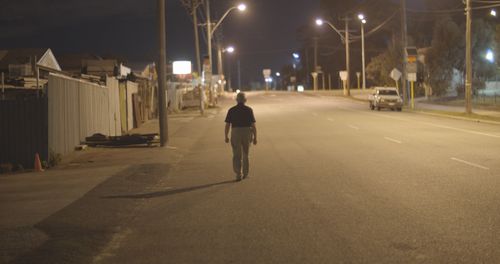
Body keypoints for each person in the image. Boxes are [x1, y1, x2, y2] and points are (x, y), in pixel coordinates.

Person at [225, 92, 257, 181]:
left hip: (235, 132)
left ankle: (238, 173)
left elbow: (227, 124)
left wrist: (226, 136)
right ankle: (245, 173)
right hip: (247, 132)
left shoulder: (231, 110)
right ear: (245, 100)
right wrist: (255, 137)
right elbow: (253, 125)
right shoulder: (249, 110)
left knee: (236, 154)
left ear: (236, 100)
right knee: (246, 153)